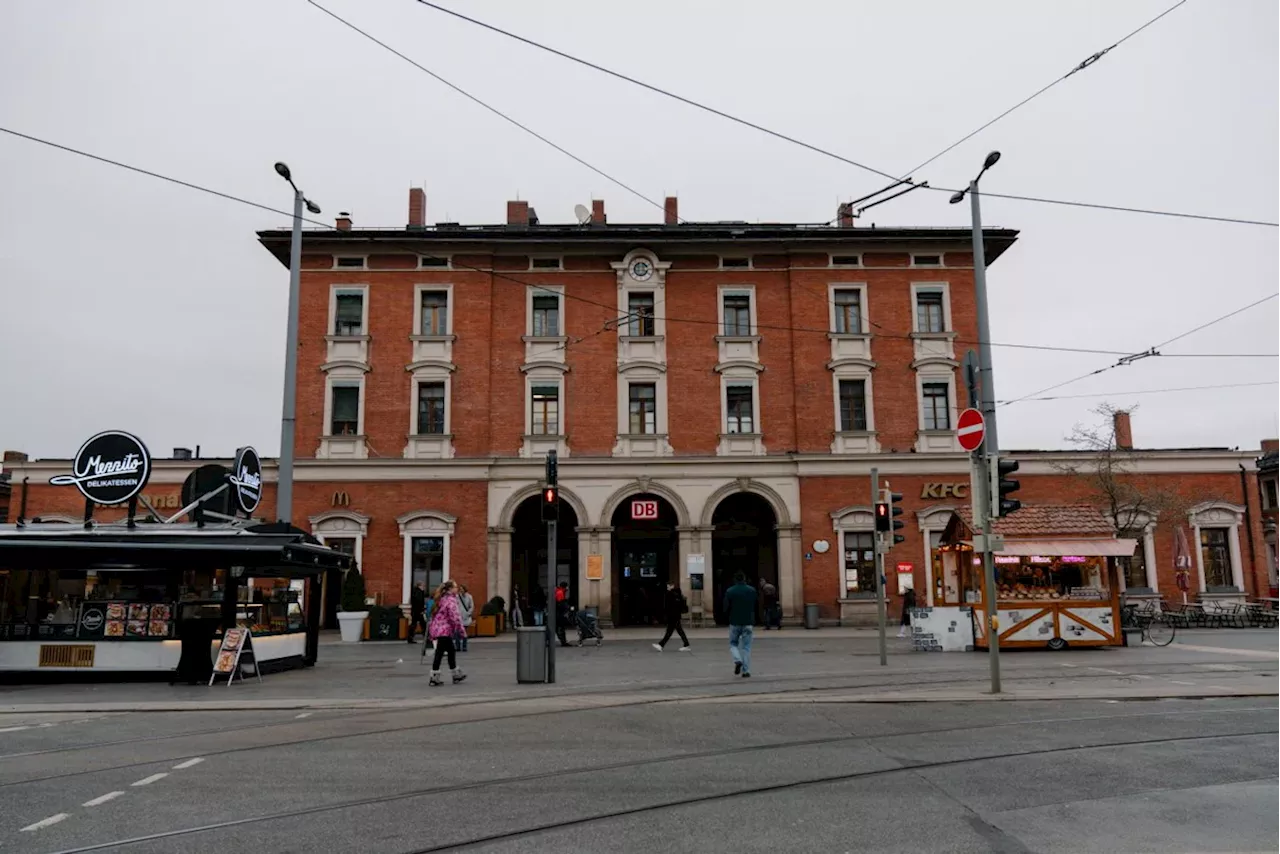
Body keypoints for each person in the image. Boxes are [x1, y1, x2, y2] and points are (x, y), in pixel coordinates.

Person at [426, 580, 467, 686]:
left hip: (440, 629)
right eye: (455, 587)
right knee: (440, 653)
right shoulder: (451, 600)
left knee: (450, 650)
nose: (457, 589)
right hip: (444, 630)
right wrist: (461, 630)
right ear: (450, 589)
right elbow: (455, 617)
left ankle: (454, 674)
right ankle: (435, 677)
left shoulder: (442, 599)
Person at [723, 571, 758, 677]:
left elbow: (726, 607)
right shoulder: (752, 590)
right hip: (748, 622)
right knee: (746, 647)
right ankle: (746, 671)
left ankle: (737, 660)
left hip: (735, 621)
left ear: (735, 580)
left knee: (733, 644)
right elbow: (756, 604)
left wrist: (727, 617)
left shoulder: (730, 591)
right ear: (744, 579)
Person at [652, 580, 691, 652]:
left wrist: (667, 616)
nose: (667, 588)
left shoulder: (670, 594)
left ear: (672, 586)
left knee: (670, 632)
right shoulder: (678, 594)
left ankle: (661, 645)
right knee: (678, 631)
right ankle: (686, 644)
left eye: (668, 586)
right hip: (676, 616)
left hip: (673, 617)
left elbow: (669, 607)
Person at [457, 584, 475, 652]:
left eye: (462, 589)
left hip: (466, 617)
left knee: (464, 632)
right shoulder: (457, 597)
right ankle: (457, 646)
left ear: (465, 589)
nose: (461, 590)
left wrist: (468, 613)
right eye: (460, 589)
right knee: (457, 633)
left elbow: (472, 606)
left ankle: (464, 646)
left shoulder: (469, 597)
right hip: (458, 617)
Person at [554, 581, 571, 647]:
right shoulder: (560, 593)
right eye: (567, 586)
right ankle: (563, 642)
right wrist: (567, 608)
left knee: (558, 628)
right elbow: (561, 604)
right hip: (559, 614)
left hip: (557, 613)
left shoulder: (560, 591)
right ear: (565, 587)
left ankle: (563, 641)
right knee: (560, 628)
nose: (568, 588)